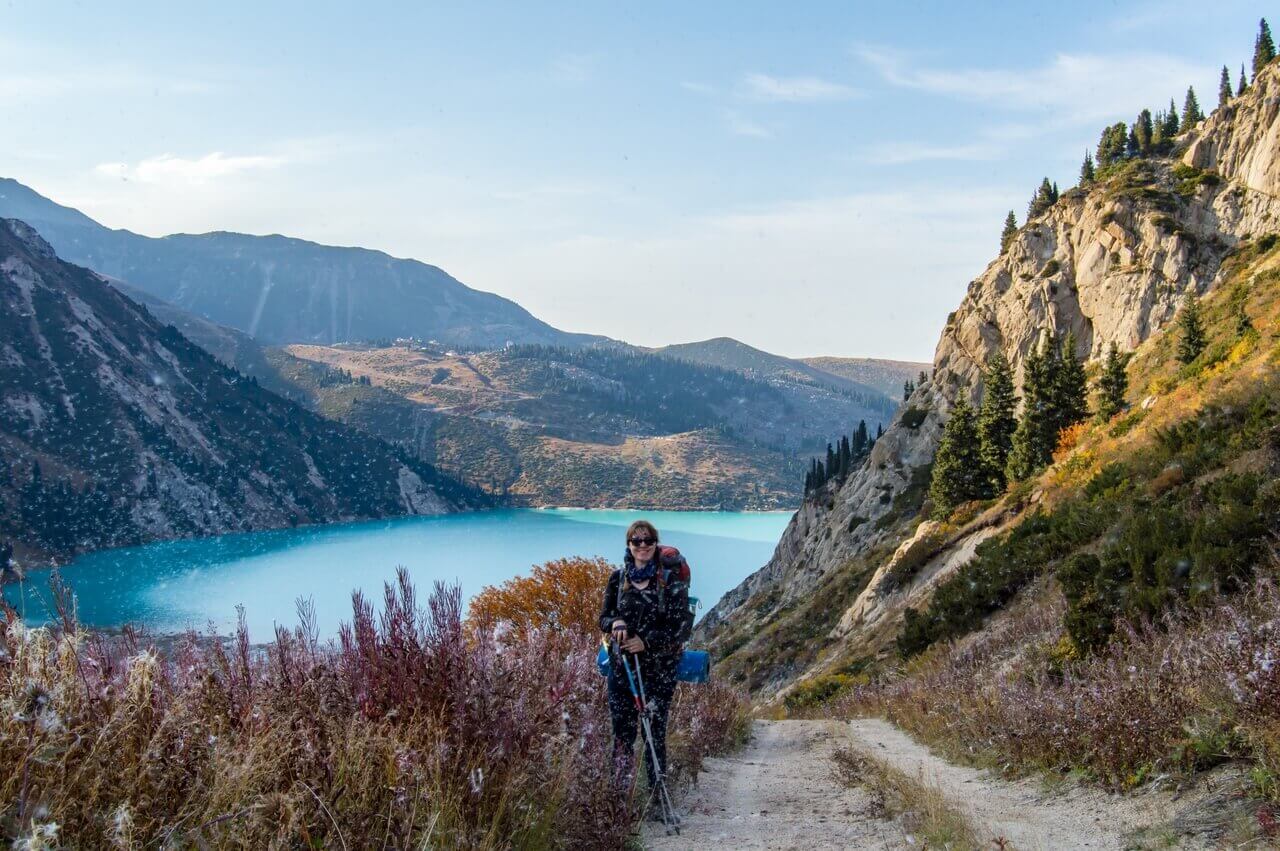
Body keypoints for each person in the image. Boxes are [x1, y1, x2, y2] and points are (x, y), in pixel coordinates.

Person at [599, 519, 689, 806]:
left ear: (655, 543)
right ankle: (619, 801)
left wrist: (646, 641)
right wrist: (616, 622)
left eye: (647, 540)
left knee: (654, 735)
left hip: (658, 671)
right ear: (628, 544)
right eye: (636, 541)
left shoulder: (670, 581)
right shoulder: (618, 578)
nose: (642, 546)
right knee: (623, 735)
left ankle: (657, 800)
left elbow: (680, 627)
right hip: (621, 669)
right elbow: (603, 617)